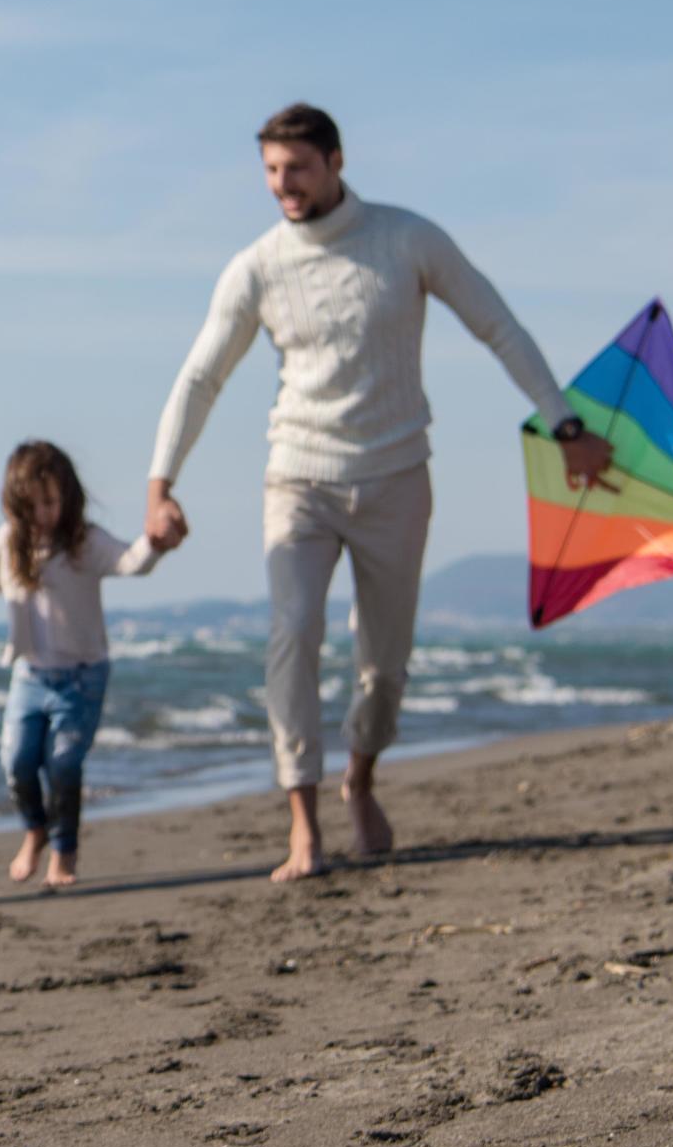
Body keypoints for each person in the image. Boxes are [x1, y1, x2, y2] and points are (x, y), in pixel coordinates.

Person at [144, 103, 615, 882]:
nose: (281, 186)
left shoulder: (407, 239)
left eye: (295, 168)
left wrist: (565, 428)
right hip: (296, 478)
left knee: (384, 661)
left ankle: (357, 777)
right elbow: (200, 376)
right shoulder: (256, 266)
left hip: (395, 476)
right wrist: (161, 484)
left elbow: (497, 325)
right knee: (291, 634)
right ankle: (302, 824)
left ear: (334, 160)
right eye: (268, 171)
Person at [0, 441, 165, 888]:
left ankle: (64, 853)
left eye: (50, 502)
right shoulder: (10, 543)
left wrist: (155, 540)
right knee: (16, 761)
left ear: (67, 497)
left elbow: (132, 561)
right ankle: (35, 830)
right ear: (15, 506)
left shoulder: (84, 541)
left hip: (83, 677)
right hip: (29, 676)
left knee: (64, 764)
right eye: (31, 506)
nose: (43, 515)